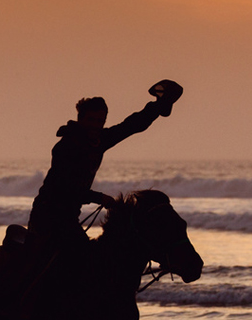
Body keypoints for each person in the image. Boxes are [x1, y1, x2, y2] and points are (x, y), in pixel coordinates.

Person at [27, 79, 182, 248]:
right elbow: (67, 188)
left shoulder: (100, 140)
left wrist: (158, 106)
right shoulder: (65, 147)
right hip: (47, 215)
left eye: (100, 121)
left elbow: (130, 126)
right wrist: (100, 198)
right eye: (91, 120)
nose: (95, 125)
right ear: (80, 119)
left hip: (70, 216)